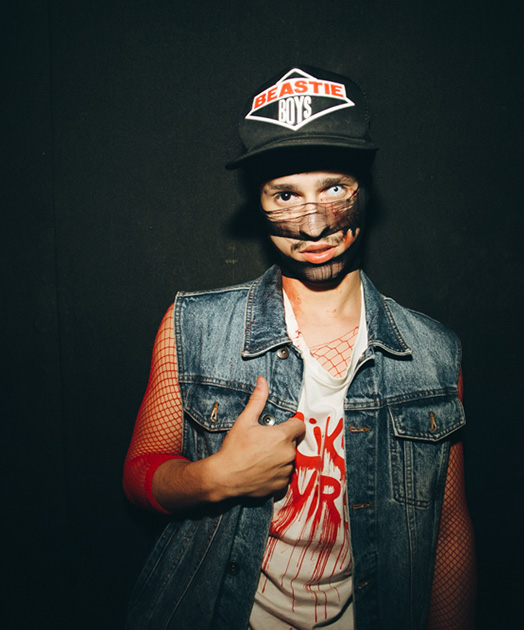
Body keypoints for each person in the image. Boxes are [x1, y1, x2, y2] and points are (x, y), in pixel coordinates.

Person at [123, 66, 476, 630]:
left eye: (334, 189)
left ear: (366, 187)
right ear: (257, 202)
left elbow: (448, 526)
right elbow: (140, 475)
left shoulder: (433, 352)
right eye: (286, 195)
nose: (313, 227)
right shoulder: (193, 327)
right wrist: (215, 478)